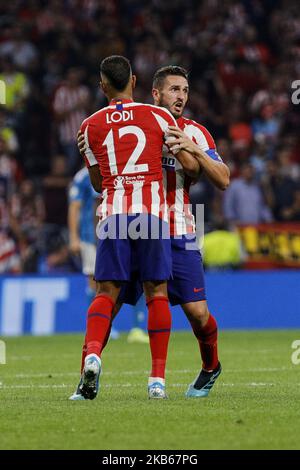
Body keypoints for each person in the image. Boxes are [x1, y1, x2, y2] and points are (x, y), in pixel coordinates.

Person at [76, 66, 230, 399]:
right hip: (138, 223)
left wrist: (193, 147)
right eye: (175, 89)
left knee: (197, 313)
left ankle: (210, 366)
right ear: (156, 93)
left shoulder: (195, 132)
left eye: (186, 90)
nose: (182, 96)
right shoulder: (142, 123)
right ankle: (87, 375)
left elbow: (223, 179)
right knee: (110, 301)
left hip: (180, 228)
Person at [70, 55, 182, 401]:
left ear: (103, 86)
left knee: (106, 293)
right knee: (156, 293)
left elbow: (98, 184)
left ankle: (92, 355)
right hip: (152, 213)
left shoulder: (89, 126)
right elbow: (181, 156)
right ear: (134, 81)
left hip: (115, 215)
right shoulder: (159, 115)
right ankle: (157, 381)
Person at [68, 165, 120, 340]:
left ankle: (105, 324)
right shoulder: (82, 177)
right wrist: (74, 237)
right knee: (93, 281)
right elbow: (74, 207)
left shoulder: (111, 169)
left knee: (108, 282)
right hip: (89, 237)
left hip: (111, 234)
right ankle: (96, 326)